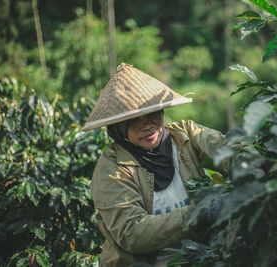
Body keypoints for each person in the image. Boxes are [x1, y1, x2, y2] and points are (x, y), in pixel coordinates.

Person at [82, 63, 244, 266]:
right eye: (133, 120)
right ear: (118, 128)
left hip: (199, 257)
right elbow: (132, 234)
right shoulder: (112, 170)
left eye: (151, 114)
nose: (146, 125)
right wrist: (198, 212)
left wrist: (254, 165)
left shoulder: (184, 135)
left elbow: (231, 149)